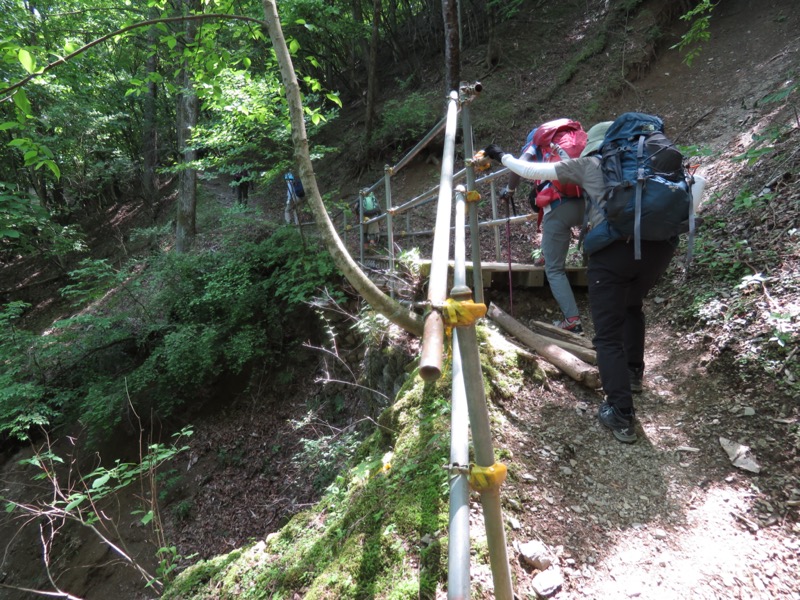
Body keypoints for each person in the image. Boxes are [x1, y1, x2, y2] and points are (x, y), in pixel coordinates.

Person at [482, 121, 678, 444]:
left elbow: (530, 171)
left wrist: (500, 155)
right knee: (632, 305)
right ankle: (632, 374)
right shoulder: (649, 166)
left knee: (607, 334)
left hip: (613, 252)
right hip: (660, 247)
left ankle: (621, 413)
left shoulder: (591, 164)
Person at [499, 121, 586, 334]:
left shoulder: (535, 142)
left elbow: (520, 165)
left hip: (559, 205)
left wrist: (510, 189)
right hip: (590, 202)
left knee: (554, 269)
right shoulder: (576, 139)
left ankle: (572, 320)